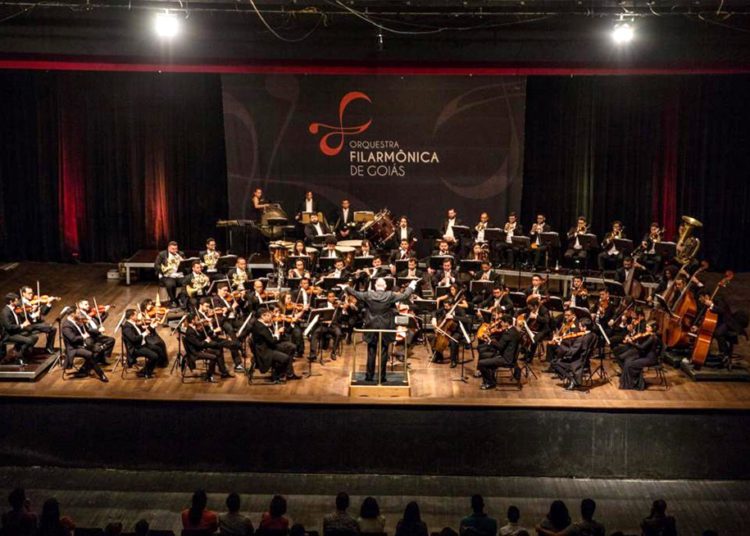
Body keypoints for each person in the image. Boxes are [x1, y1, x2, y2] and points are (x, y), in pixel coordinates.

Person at [344, 277, 416, 382]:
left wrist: (346, 287)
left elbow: (355, 293)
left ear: (375, 286)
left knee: (371, 351)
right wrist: (411, 286)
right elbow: (405, 295)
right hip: (385, 326)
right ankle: (382, 377)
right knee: (383, 351)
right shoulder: (390, 295)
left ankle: (369, 376)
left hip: (371, 326)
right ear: (385, 286)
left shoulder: (368, 294)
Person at [251, 308, 299, 383]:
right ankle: (277, 375)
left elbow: (269, 338)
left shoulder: (259, 324)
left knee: (291, 347)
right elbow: (272, 341)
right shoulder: (261, 328)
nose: (271, 317)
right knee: (285, 357)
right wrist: (277, 333)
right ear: (263, 316)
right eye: (269, 315)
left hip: (268, 347)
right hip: (265, 352)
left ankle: (289, 374)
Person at [61, 311, 109, 382]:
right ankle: (101, 374)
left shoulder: (75, 321)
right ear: (72, 314)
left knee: (98, 351)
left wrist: (86, 323)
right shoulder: (66, 326)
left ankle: (85, 369)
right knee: (90, 354)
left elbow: (84, 329)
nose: (79, 314)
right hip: (73, 348)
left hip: (81, 344)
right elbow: (73, 339)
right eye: (77, 313)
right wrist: (83, 336)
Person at [477, 315, 522, 389]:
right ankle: (490, 378)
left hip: (506, 359)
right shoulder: (514, 330)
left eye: (502, 322)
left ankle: (490, 382)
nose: (501, 324)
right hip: (509, 356)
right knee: (484, 356)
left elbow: (500, 347)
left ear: (507, 323)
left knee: (481, 363)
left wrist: (490, 341)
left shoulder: (508, 333)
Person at [618, 321, 661, 390]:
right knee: (628, 361)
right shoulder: (650, 336)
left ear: (653, 328)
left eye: (648, 327)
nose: (646, 328)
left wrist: (631, 342)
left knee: (630, 364)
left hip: (650, 359)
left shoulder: (652, 338)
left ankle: (635, 384)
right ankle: (628, 382)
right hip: (645, 356)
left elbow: (642, 347)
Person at [1, 293, 39, 361]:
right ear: (11, 302)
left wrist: (31, 310)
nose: (18, 302)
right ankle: (19, 356)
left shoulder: (15, 309)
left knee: (35, 337)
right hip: (9, 334)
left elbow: (21, 317)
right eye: (16, 301)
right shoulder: (5, 312)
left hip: (17, 332)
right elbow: (9, 327)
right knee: (29, 341)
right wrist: (22, 325)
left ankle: (20, 351)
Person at [154, 241, 185, 307]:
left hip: (178, 275)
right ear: (168, 248)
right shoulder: (162, 254)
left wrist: (183, 262)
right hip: (167, 275)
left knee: (187, 282)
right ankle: (173, 300)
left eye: (176, 249)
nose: (175, 250)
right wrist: (165, 270)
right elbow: (156, 265)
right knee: (171, 284)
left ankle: (181, 298)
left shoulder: (180, 254)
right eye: (172, 249)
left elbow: (186, 265)